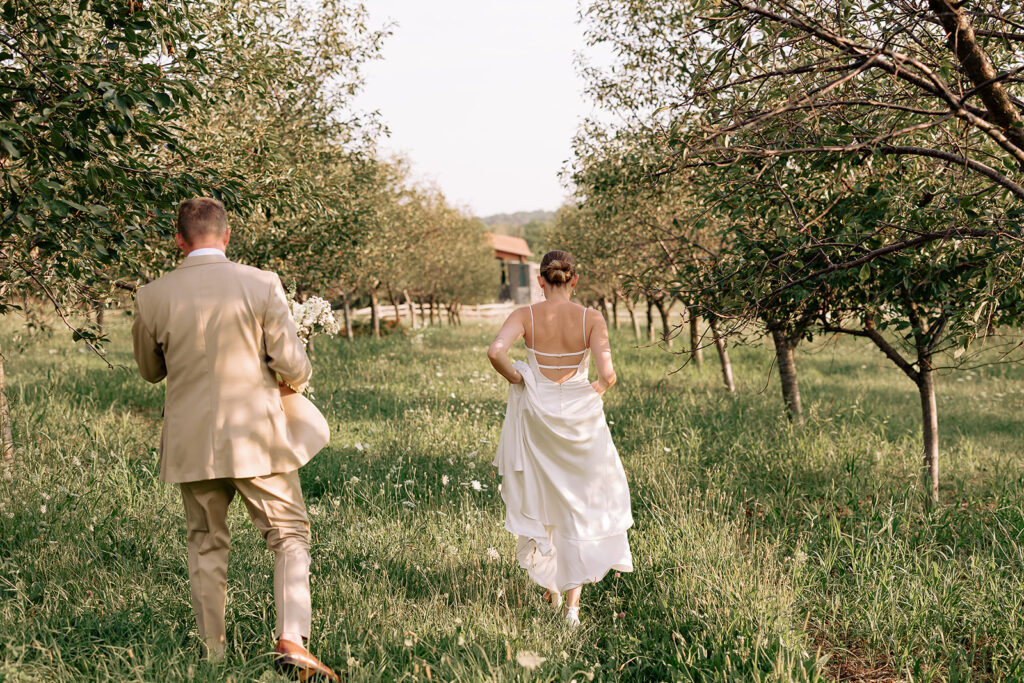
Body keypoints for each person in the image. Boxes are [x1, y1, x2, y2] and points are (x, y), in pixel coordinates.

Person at [131, 197, 338, 680]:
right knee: (288, 535)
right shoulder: (261, 283)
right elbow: (292, 365)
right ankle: (290, 639)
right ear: (227, 236)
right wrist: (292, 380)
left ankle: (212, 656)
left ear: (179, 240)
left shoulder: (151, 295)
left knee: (204, 542)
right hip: (256, 437)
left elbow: (148, 371)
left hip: (190, 442)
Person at [488, 250, 633, 626]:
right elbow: (608, 374)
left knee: (546, 498)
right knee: (577, 504)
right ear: (574, 280)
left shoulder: (525, 315)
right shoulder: (591, 318)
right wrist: (594, 391)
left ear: (540, 280)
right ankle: (572, 609)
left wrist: (518, 378)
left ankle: (552, 592)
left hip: (538, 414)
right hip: (581, 417)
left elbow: (496, 351)